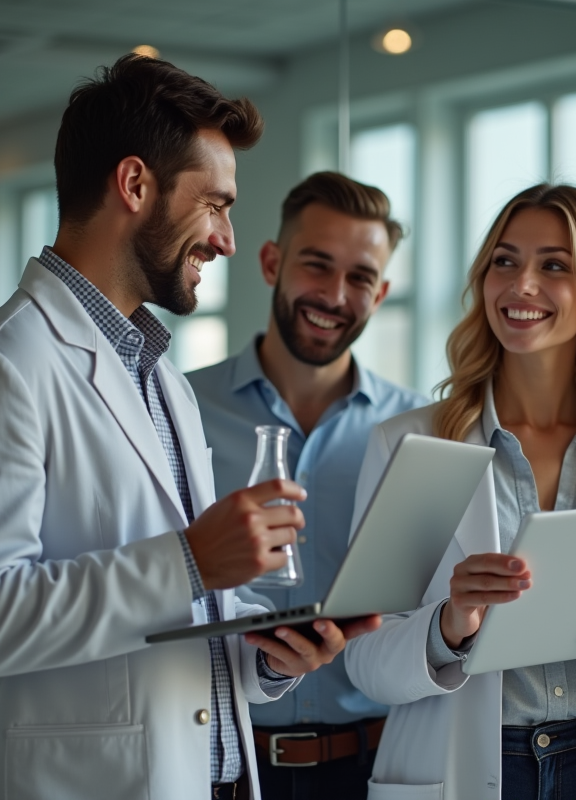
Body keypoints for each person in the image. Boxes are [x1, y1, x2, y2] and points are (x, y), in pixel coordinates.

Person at [0, 55, 378, 800]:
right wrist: (190, 561)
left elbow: (183, 604)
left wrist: (267, 655)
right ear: (134, 185)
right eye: (215, 204)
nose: (226, 238)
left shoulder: (159, 374)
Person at [343, 184, 576, 800]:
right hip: (463, 766)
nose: (521, 285)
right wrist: (450, 624)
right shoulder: (412, 445)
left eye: (554, 265)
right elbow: (363, 659)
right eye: (504, 261)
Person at [186, 171, 427, 799]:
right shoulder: (179, 409)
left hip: (377, 765)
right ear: (271, 262)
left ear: (382, 293)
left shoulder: (420, 431)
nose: (335, 294)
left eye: (360, 278)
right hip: (221, 762)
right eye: (316, 266)